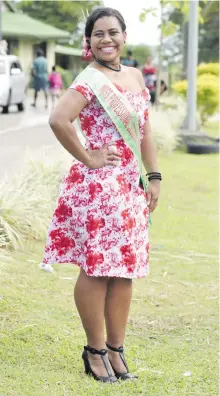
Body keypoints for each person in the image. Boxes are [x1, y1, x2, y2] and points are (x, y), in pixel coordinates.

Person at [41, 7, 161, 383]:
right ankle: (94, 350)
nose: (106, 39)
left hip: (129, 186)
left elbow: (144, 133)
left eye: (113, 32)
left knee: (125, 271)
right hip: (101, 186)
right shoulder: (89, 79)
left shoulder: (136, 75)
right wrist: (89, 157)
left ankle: (116, 349)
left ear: (124, 36)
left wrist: (153, 176)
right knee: (97, 269)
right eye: (98, 34)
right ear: (89, 42)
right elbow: (59, 119)